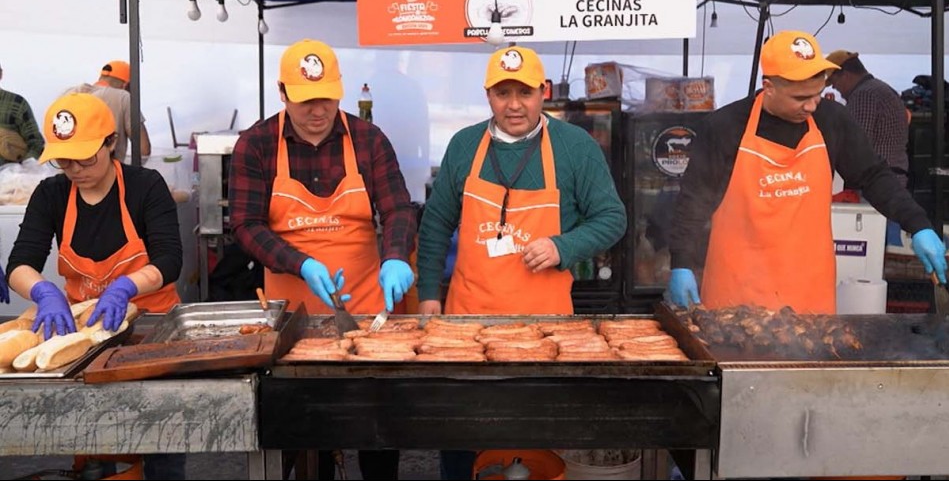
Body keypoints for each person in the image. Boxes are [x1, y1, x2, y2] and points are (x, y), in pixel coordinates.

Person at [415, 45, 627, 479]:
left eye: (525, 92)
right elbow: (435, 225)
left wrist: (562, 247)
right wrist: (429, 296)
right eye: (502, 92)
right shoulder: (464, 145)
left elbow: (612, 218)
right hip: (467, 325)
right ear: (488, 95)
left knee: (537, 431)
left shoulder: (574, 147)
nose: (514, 104)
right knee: (459, 432)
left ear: (543, 92)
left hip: (543, 328)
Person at [228, 38, 416, 480]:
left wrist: (395, 256)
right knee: (306, 434)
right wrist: (302, 264)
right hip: (292, 315)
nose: (318, 110)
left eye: (327, 98)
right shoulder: (256, 144)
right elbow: (245, 225)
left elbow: (397, 209)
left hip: (367, 306)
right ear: (282, 92)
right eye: (306, 100)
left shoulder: (368, 139)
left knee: (376, 427)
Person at [667, 30, 947, 312]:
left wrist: (918, 225)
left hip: (808, 289)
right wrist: (681, 263)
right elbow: (693, 202)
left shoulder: (831, 119)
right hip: (738, 290)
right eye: (801, 97)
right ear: (769, 87)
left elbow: (873, 176)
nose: (812, 105)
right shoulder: (725, 126)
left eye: (817, 94)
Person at [4, 92, 184, 478]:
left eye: (86, 157)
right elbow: (20, 263)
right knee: (95, 435)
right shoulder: (51, 194)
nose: (75, 169)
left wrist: (124, 288)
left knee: (161, 438)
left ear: (112, 142)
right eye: (64, 160)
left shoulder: (145, 186)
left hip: (151, 330)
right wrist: (44, 292)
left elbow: (169, 260)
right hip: (84, 336)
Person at [825, 49, 911, 246]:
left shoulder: (864, 95)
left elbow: (854, 144)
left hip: (877, 181)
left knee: (877, 242)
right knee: (887, 239)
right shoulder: (881, 88)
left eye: (835, 83)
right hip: (892, 175)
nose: (837, 90)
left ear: (845, 75)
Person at [62, 60, 151, 162]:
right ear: (125, 86)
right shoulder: (123, 97)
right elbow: (143, 150)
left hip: (68, 174)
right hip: (105, 175)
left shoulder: (67, 95)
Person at [0, 61, 45, 163]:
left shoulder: (17, 103)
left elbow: (35, 142)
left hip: (8, 176)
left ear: (1, 74)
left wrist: (24, 169)